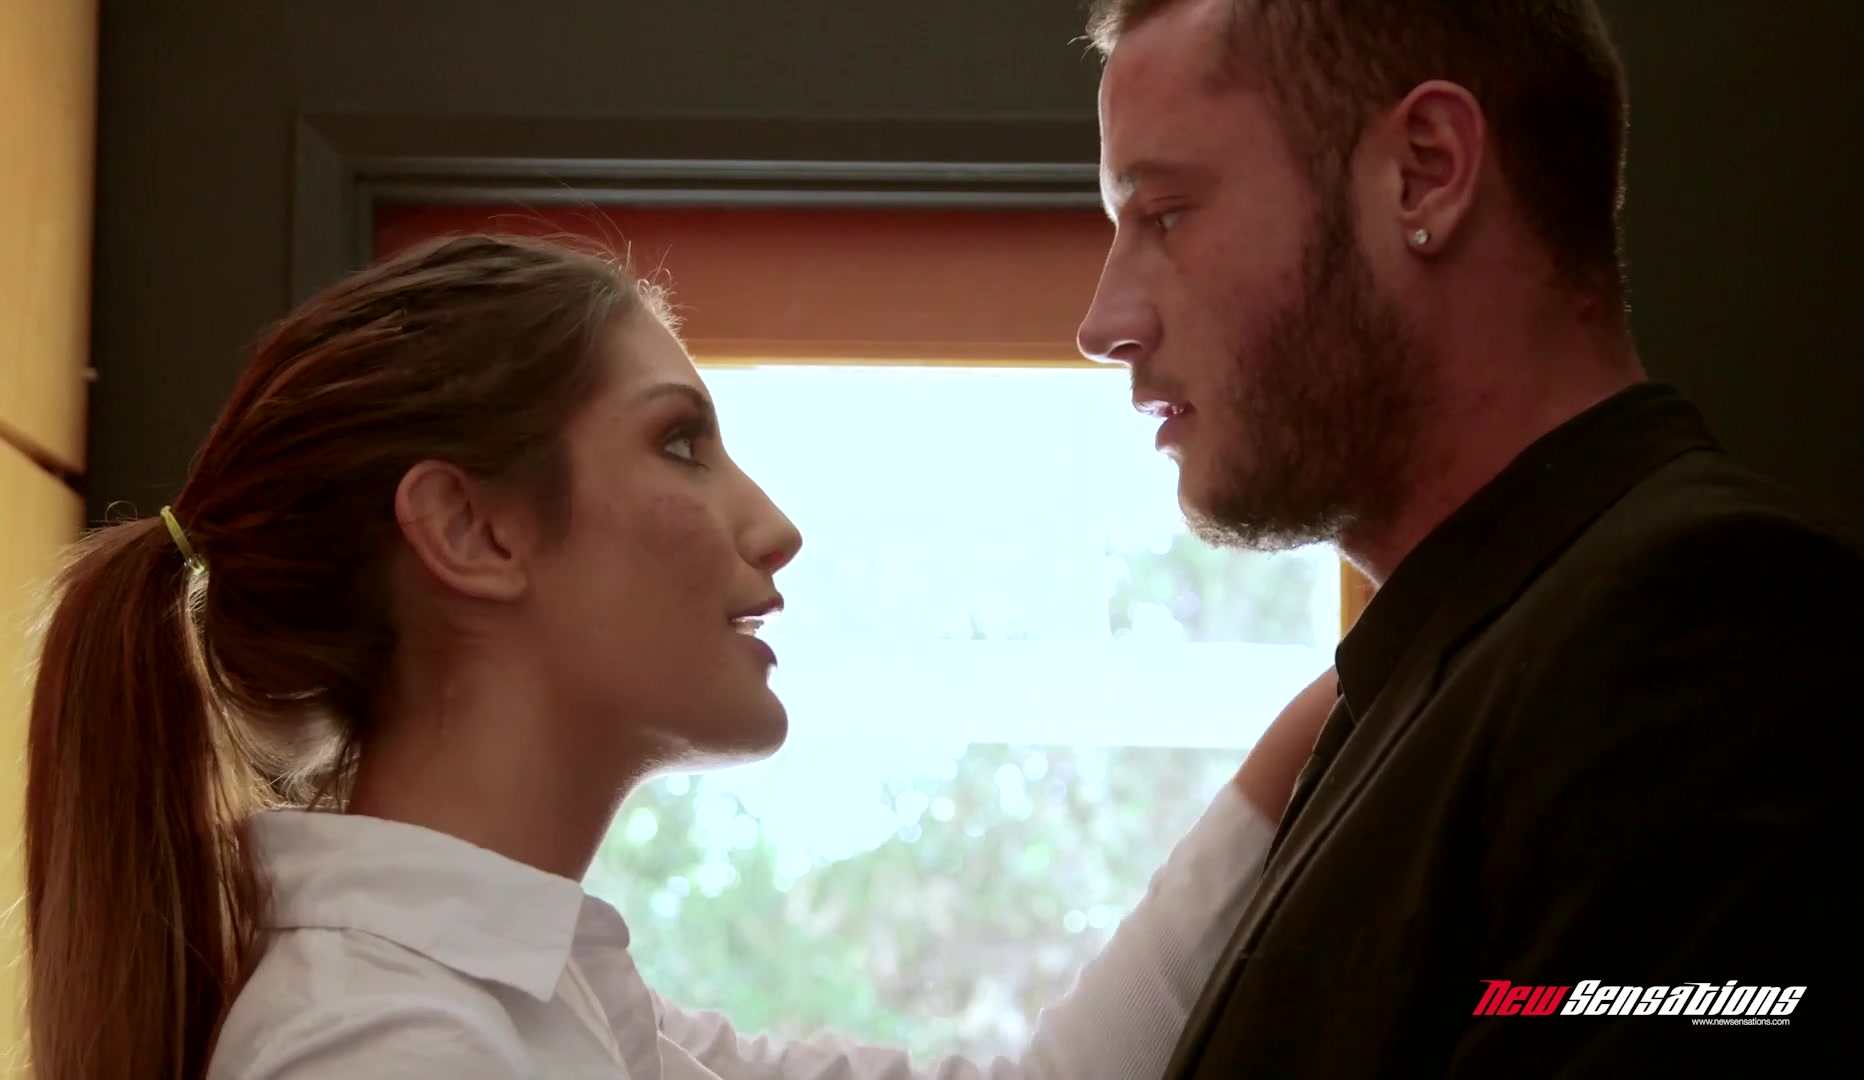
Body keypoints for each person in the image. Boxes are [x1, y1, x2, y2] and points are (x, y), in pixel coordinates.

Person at [22, 233, 1339, 1080]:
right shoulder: (382, 1047)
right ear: (472, 531)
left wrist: (1315, 736)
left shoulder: (582, 1016)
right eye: (678, 444)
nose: (773, 527)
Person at [1075, 0, 1864, 1074]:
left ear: (1425, 172)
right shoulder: (1439, 680)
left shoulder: (1712, 634)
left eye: (1168, 214)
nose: (1105, 324)